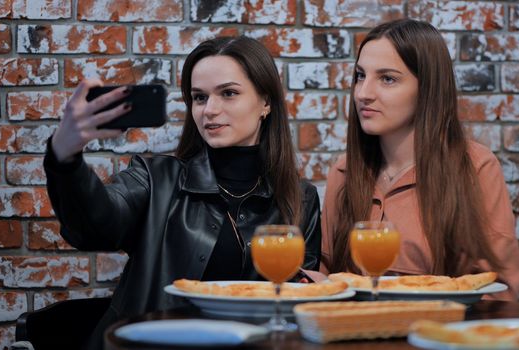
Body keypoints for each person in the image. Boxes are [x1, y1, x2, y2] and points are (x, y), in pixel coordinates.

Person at [44, 36, 321, 349]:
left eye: (228, 93)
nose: (209, 110)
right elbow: (94, 226)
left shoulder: (301, 198)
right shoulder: (155, 178)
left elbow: (297, 302)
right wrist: (64, 156)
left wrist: (315, 289)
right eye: (199, 98)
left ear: (266, 102)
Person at [320, 19, 519, 300]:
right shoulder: (343, 172)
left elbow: (501, 289)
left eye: (387, 78)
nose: (364, 93)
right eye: (359, 76)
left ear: (427, 87)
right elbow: (330, 278)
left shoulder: (474, 167)